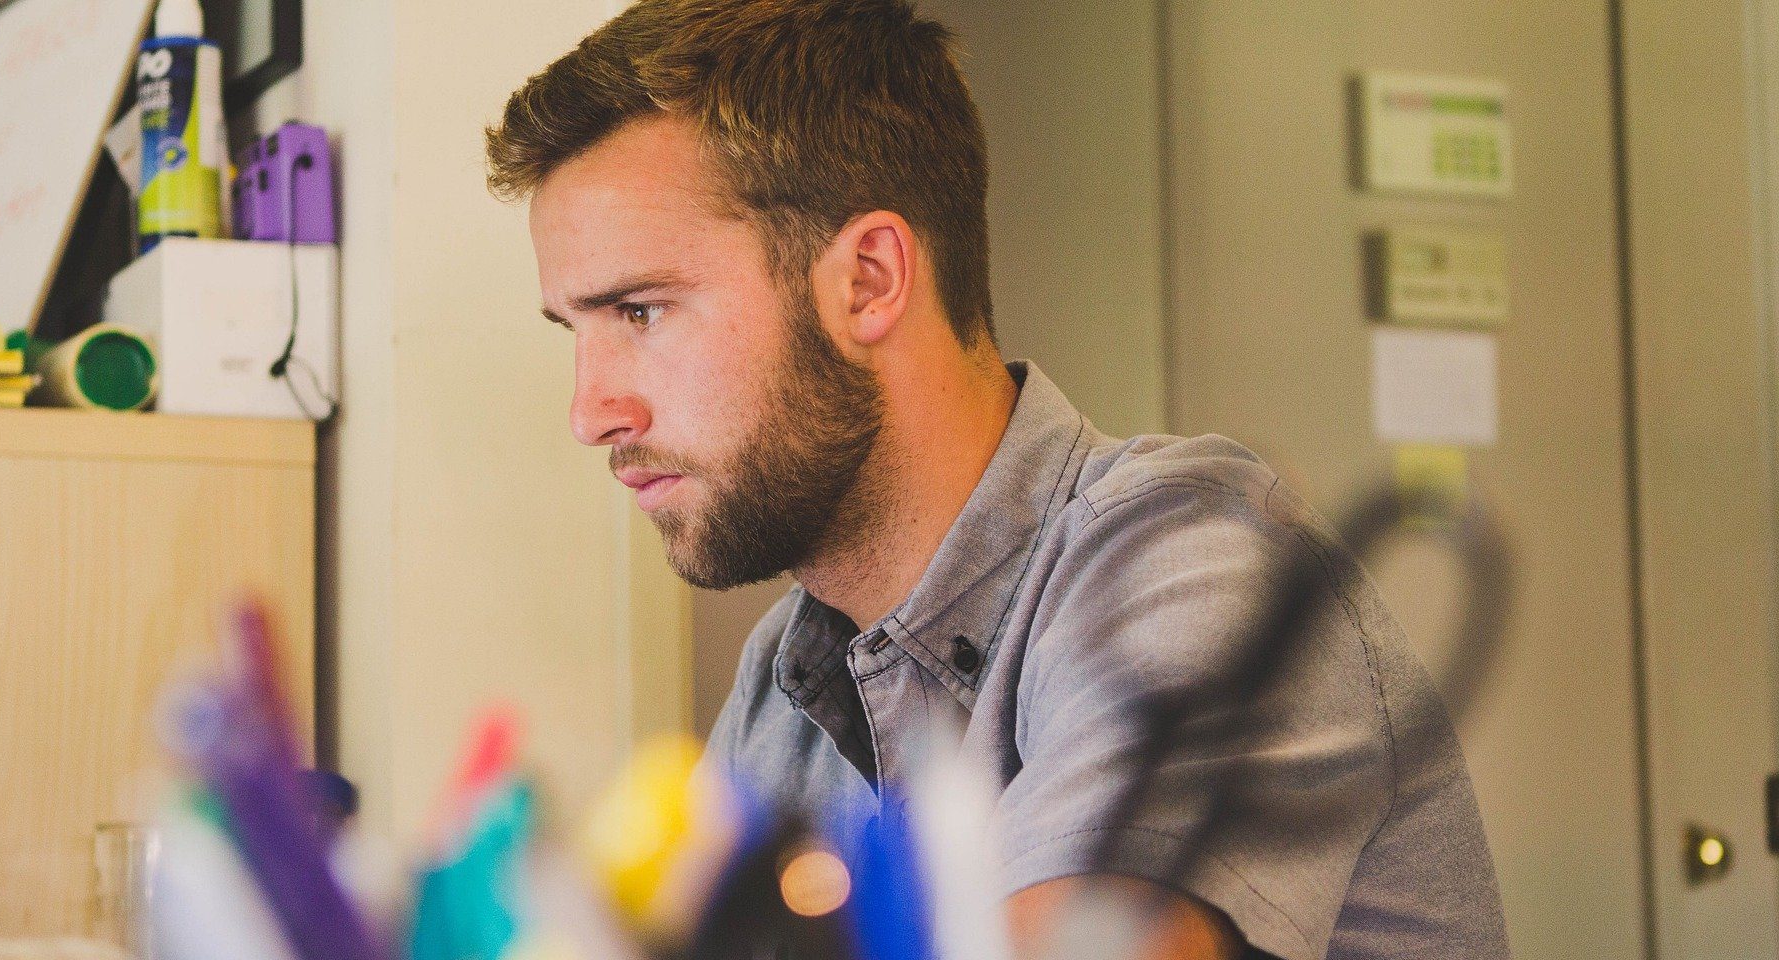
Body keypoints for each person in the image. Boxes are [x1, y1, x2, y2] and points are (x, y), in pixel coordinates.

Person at [486, 2, 1509, 957]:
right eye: (574, 330)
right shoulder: (783, 682)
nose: (591, 413)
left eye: (640, 313)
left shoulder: (1196, 556)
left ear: (869, 280)